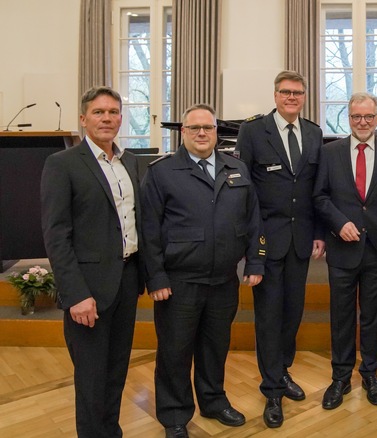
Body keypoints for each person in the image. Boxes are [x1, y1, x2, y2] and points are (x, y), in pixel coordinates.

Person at [141, 104, 265, 438]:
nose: (201, 134)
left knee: (214, 348)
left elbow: (253, 220)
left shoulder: (235, 168)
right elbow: (148, 229)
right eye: (194, 128)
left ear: (216, 132)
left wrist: (255, 260)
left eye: (207, 128)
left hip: (224, 280)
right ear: (183, 132)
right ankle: (175, 415)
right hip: (178, 282)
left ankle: (213, 401)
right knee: (175, 351)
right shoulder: (163, 172)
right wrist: (156, 276)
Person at [40, 86, 144, 438]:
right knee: (90, 377)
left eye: (113, 112)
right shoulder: (62, 164)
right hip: (89, 290)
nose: (107, 118)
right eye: (99, 112)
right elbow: (56, 236)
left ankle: (110, 432)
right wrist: (75, 294)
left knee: (116, 371)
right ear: (83, 119)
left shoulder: (129, 161)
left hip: (127, 281)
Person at [235, 70, 325, 428]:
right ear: (275, 95)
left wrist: (319, 231)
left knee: (293, 312)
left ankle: (282, 369)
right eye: (286, 92)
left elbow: (318, 190)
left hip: (301, 239)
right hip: (266, 239)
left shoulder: (315, 133)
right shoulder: (254, 131)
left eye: (298, 93)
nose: (292, 98)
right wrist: (250, 243)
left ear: (305, 97)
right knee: (269, 316)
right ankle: (271, 389)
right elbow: (244, 191)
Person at [313, 92, 377, 410]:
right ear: (347, 118)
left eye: (368, 117)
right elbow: (320, 196)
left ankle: (370, 373)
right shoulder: (330, 152)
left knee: (374, 317)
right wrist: (338, 224)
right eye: (356, 117)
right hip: (343, 248)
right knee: (341, 316)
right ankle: (340, 377)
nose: (362, 122)